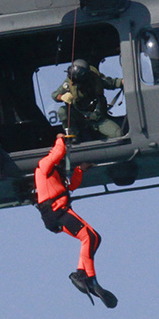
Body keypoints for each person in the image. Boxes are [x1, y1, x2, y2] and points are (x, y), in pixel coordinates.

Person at [34, 132, 116, 308]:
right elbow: (58, 152)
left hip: (58, 212)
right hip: (56, 212)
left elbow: (71, 186)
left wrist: (80, 170)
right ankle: (91, 279)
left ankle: (81, 273)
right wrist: (60, 138)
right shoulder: (43, 167)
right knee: (89, 236)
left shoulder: (56, 174)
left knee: (94, 238)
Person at [52, 59, 123, 140]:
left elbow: (110, 82)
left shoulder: (95, 78)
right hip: (80, 118)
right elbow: (55, 95)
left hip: (97, 118)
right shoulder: (70, 83)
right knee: (63, 111)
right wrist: (62, 97)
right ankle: (73, 136)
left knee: (118, 134)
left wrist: (123, 82)